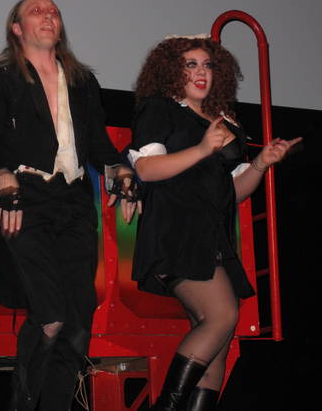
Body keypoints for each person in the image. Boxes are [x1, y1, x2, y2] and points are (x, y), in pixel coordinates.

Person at [0, 0, 136, 411]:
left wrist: (121, 172)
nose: (48, 16)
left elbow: (98, 144)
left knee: (78, 323)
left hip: (74, 204)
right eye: (37, 11)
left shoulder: (82, 81)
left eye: (54, 12)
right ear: (17, 28)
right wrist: (3, 179)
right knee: (51, 316)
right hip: (24, 200)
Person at [127, 36, 301, 411]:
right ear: (171, 70)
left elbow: (233, 192)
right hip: (176, 231)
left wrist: (261, 164)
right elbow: (146, 169)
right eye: (190, 64)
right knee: (221, 316)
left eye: (207, 64)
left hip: (214, 236)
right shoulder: (160, 108)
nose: (201, 72)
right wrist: (203, 148)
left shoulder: (224, 122)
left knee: (219, 341)